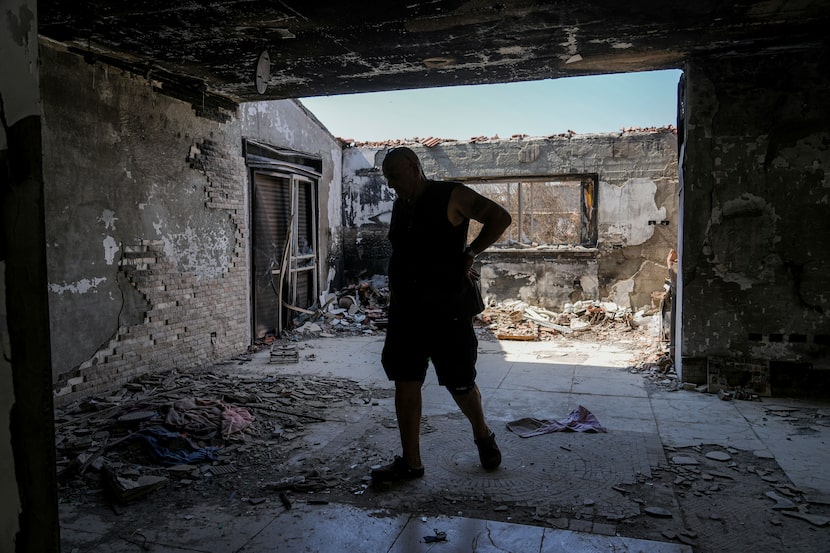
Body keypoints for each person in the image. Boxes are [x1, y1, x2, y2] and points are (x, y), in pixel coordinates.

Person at [370, 147, 512, 482]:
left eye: (394, 174)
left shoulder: (452, 194)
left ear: (414, 167)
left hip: (447, 309)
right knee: (405, 379)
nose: (391, 184)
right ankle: (411, 462)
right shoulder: (400, 205)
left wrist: (471, 251)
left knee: (460, 383)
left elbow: (500, 217)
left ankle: (482, 433)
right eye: (386, 177)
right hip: (407, 309)